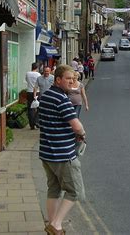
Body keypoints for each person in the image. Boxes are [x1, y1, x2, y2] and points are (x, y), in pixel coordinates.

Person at [38, 65, 86, 235]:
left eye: (73, 78)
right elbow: (76, 125)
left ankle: (51, 225)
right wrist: (81, 132)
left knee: (54, 189)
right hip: (63, 155)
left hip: (46, 153)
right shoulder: (62, 99)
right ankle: (56, 225)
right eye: (68, 78)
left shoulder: (45, 96)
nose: (72, 81)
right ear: (58, 80)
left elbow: (42, 122)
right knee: (75, 191)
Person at [26, 62, 41, 130]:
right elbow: (39, 83)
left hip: (29, 92)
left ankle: (31, 125)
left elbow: (26, 80)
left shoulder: (28, 73)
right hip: (37, 92)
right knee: (39, 107)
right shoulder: (38, 74)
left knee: (30, 108)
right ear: (37, 67)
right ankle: (36, 121)